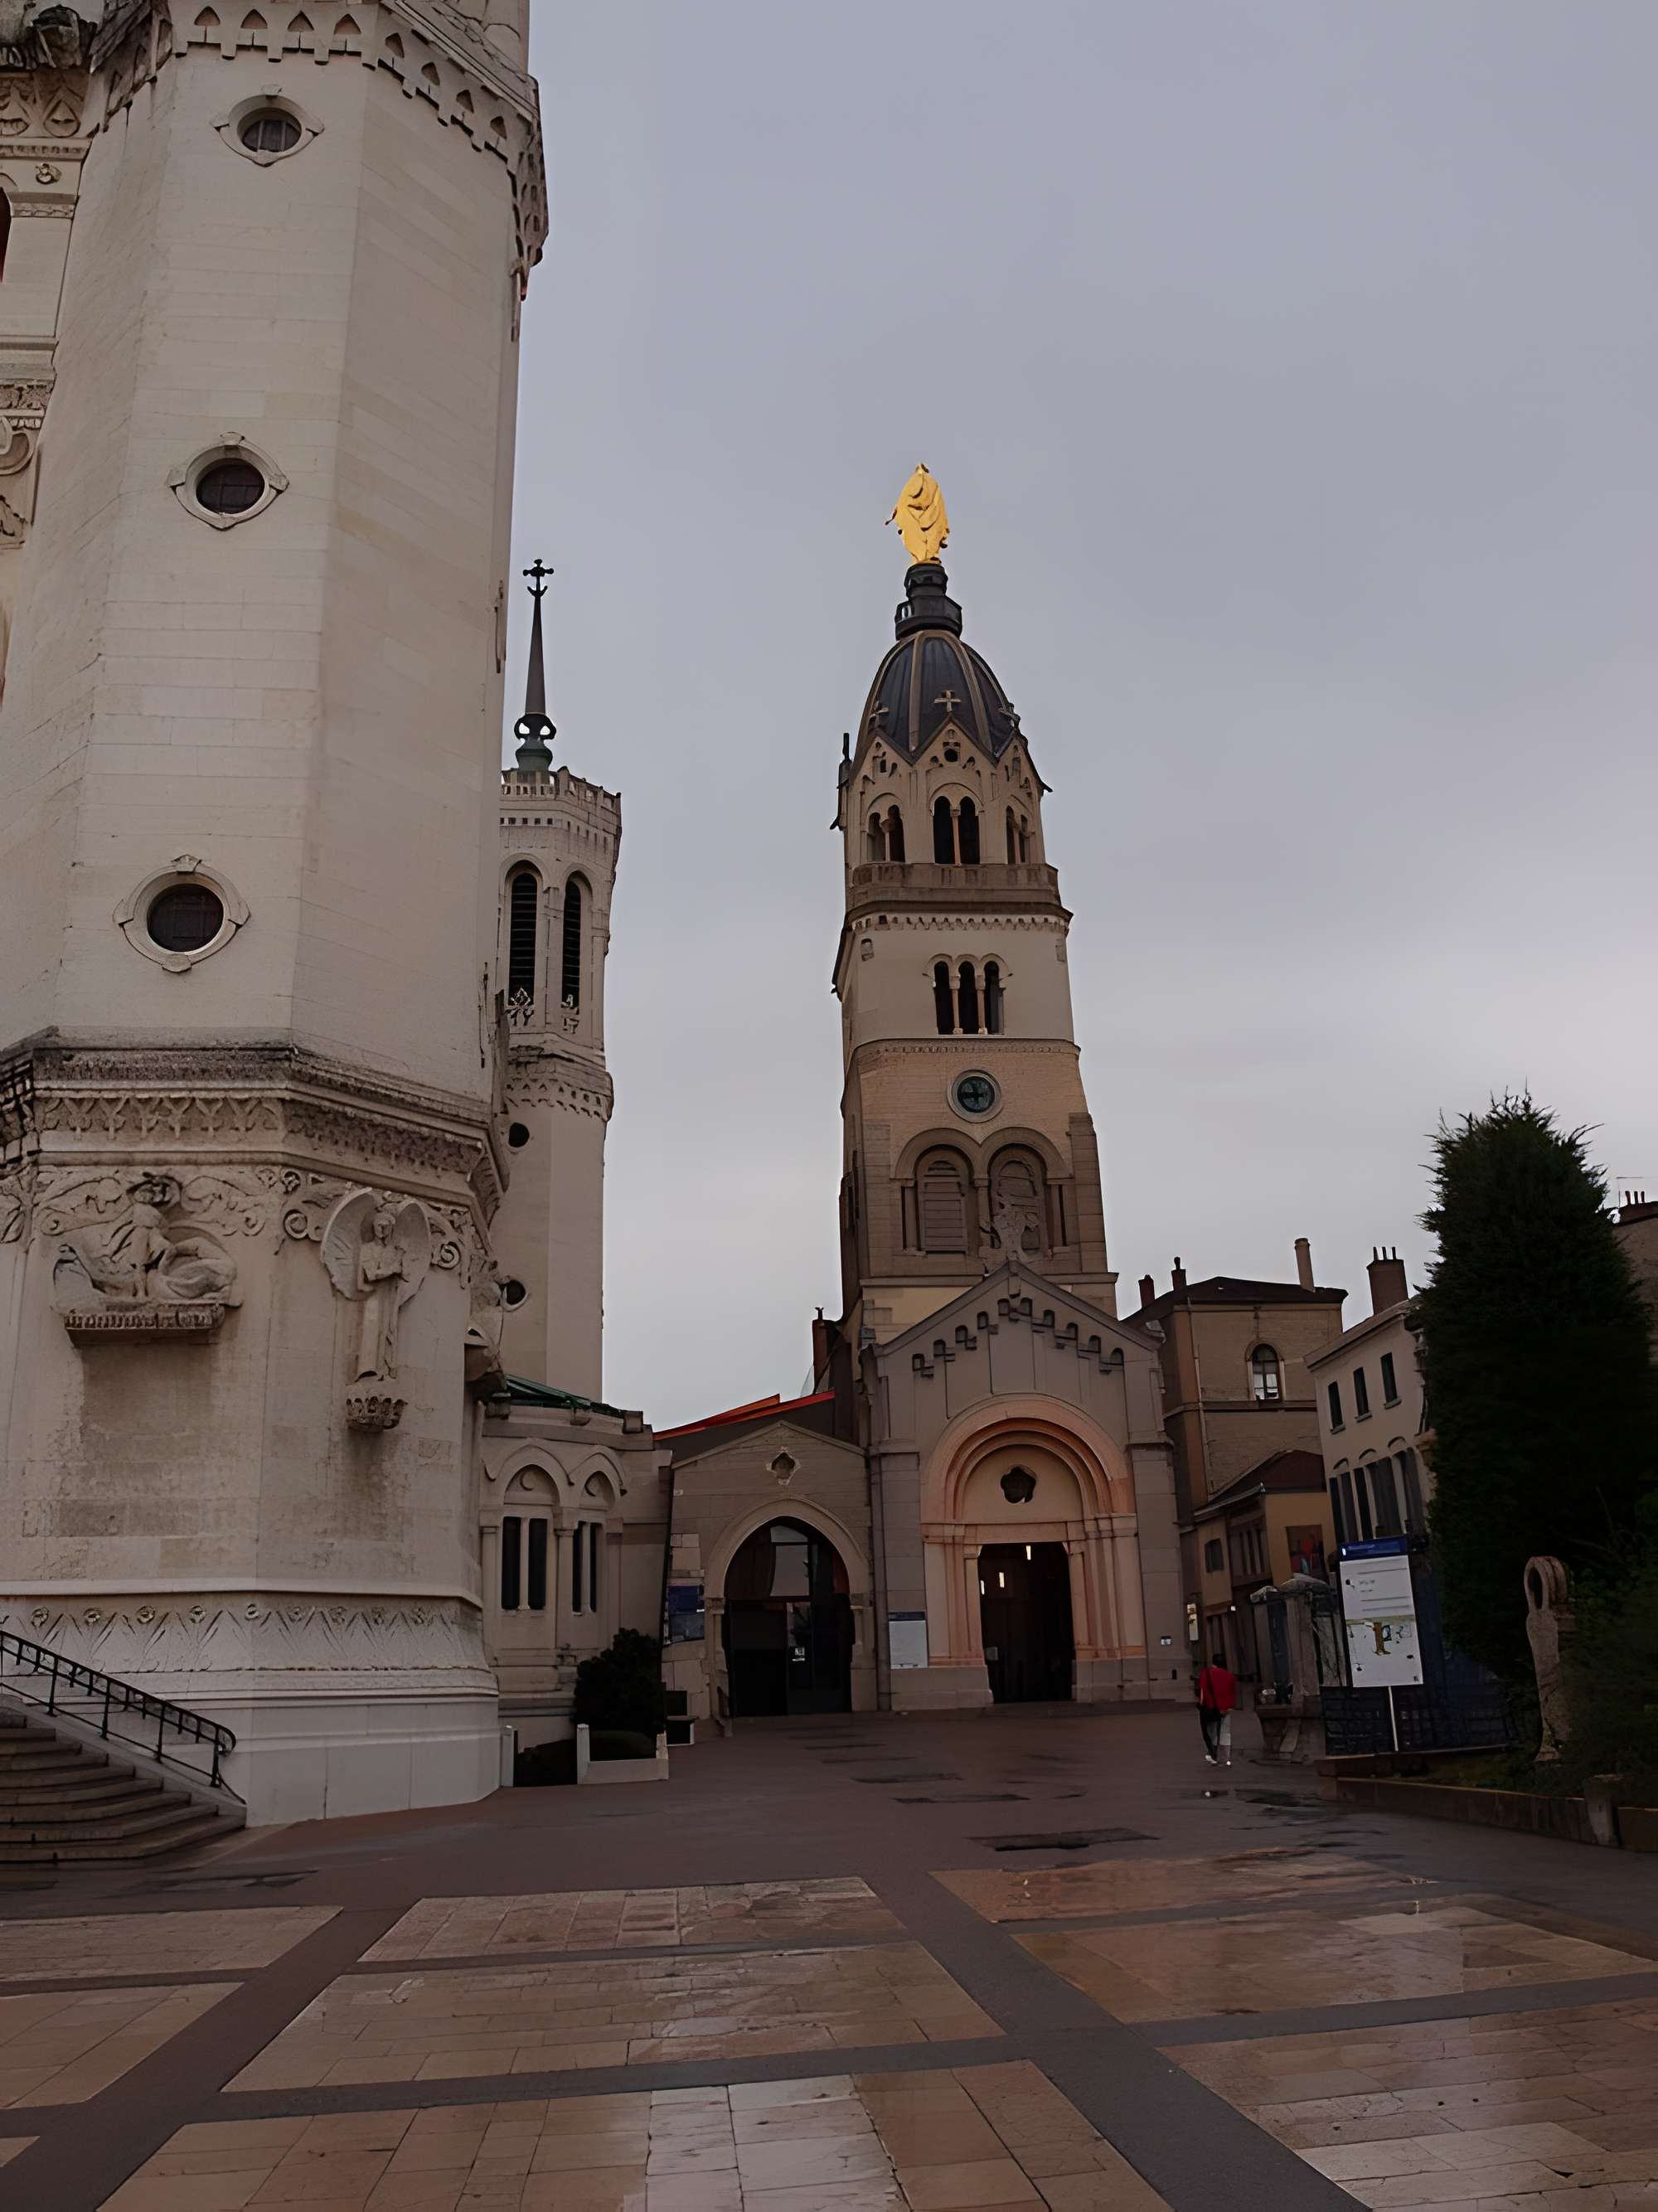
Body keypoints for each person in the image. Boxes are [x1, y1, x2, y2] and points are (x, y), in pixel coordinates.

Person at [1196, 1650, 1237, 1767]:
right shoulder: (1229, 1676)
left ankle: (1215, 1755)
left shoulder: (1206, 1673)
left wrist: (1201, 1704)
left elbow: (1203, 1690)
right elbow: (1232, 1692)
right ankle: (1226, 1758)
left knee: (1212, 1732)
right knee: (1226, 1732)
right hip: (1226, 1708)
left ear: (1213, 1662)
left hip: (1211, 1707)